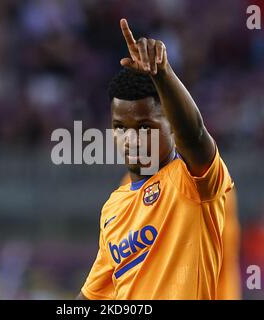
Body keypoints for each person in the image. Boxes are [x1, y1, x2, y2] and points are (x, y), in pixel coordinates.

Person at [77, 19, 234, 299]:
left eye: (145, 127)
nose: (131, 139)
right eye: (120, 128)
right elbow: (92, 297)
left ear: (171, 125)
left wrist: (162, 73)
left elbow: (195, 134)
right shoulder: (114, 207)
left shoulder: (192, 181)